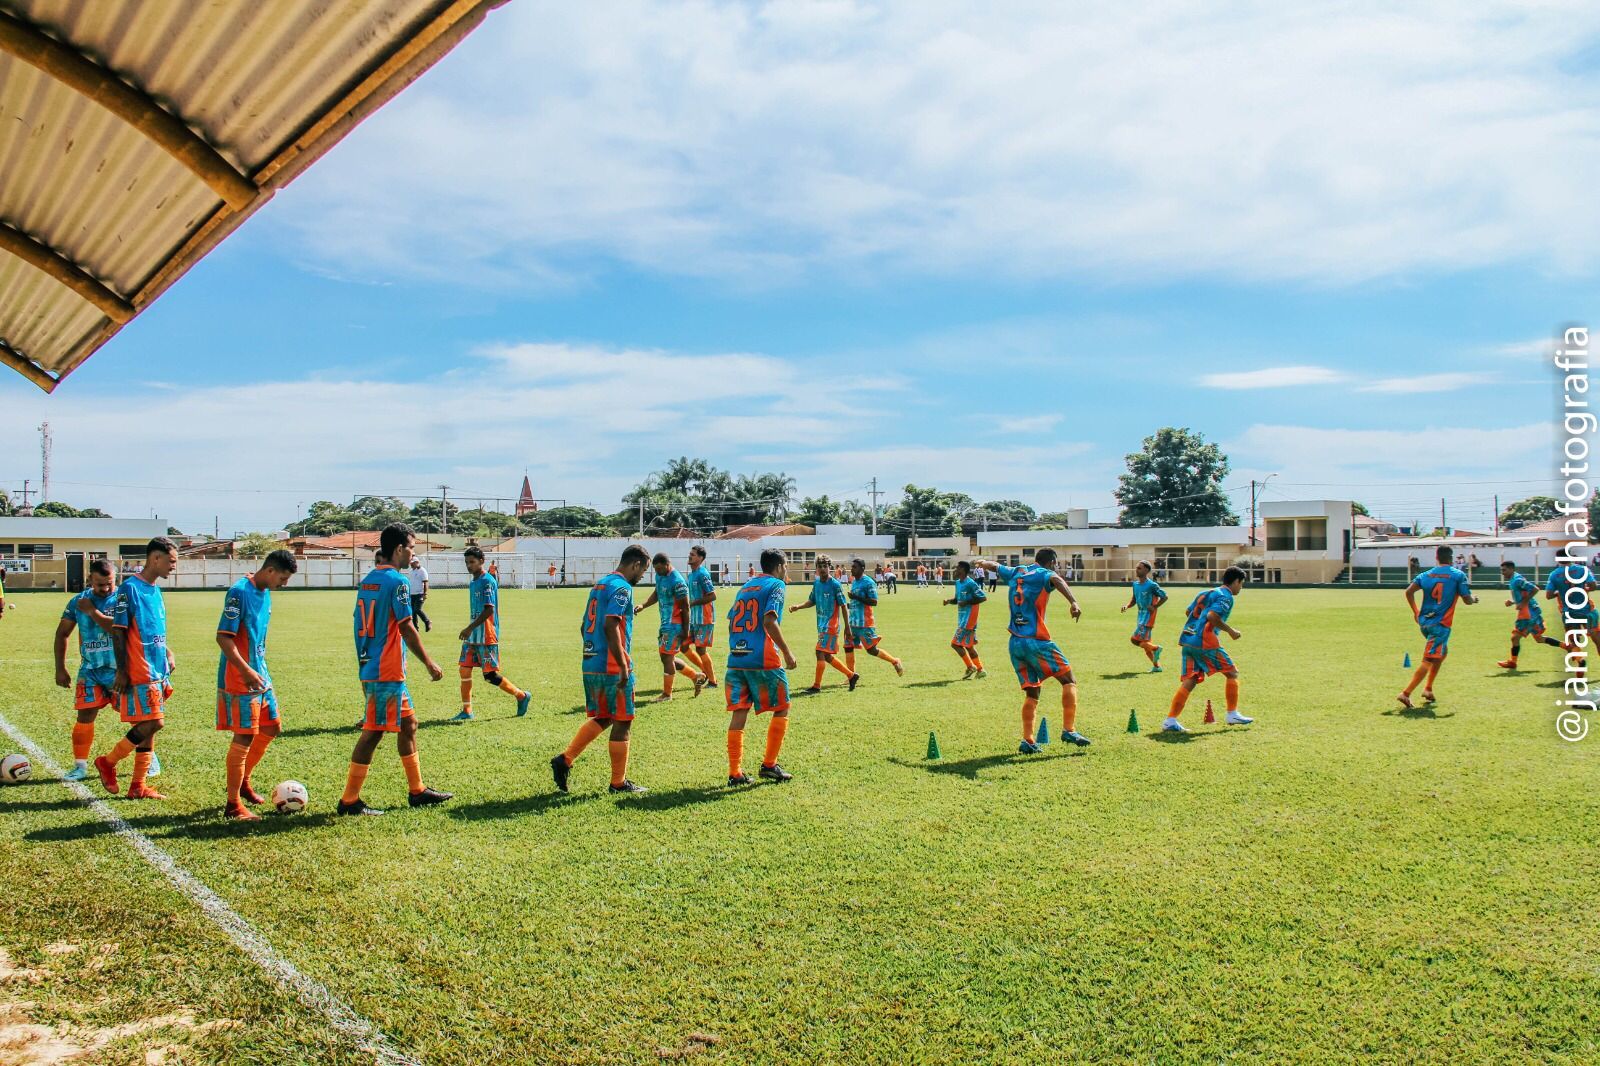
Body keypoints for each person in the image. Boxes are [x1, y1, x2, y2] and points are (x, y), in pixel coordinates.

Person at [339, 524, 451, 816]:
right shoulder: (397, 582)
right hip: (385, 669)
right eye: (412, 547)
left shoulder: (368, 580)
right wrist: (429, 662)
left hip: (374, 666)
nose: (413, 553)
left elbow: (357, 623)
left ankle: (417, 791)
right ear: (400, 549)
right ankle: (349, 800)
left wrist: (364, 660)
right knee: (373, 733)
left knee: (408, 724)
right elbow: (406, 626)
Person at [552, 545, 650, 794]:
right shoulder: (622, 588)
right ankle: (618, 783)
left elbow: (585, 624)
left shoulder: (599, 586)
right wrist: (622, 664)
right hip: (611, 665)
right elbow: (610, 626)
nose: (642, 577)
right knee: (623, 721)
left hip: (591, 661)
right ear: (635, 564)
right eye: (643, 571)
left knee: (605, 716)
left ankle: (565, 759)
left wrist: (591, 651)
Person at [972, 549, 1088, 751]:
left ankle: (1028, 741)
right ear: (1052, 562)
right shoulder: (1045, 573)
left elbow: (995, 566)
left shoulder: (1017, 571)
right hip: (1036, 641)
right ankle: (1069, 730)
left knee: (1032, 692)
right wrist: (1074, 602)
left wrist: (981, 561)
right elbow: (1058, 580)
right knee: (1069, 680)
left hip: (1015, 643)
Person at [215, 550, 299, 820]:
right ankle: (232, 804)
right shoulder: (239, 592)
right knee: (244, 736)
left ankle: (243, 781)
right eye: (283, 579)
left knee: (272, 727)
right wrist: (246, 670)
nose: (283, 584)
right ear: (270, 570)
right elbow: (224, 638)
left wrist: (256, 670)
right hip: (240, 677)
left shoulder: (266, 594)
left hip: (260, 673)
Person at [93, 538, 178, 798]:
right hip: (139, 669)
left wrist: (167, 651)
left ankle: (137, 786)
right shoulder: (129, 589)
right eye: (172, 561)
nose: (174, 566)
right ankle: (107, 762)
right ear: (155, 558)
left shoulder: (155, 590)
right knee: (155, 722)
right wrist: (122, 670)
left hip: (157, 668)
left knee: (148, 727)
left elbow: (152, 629)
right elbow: (119, 632)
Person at [725, 549, 798, 784]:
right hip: (762, 657)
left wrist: (738, 645)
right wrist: (787, 652)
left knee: (740, 711)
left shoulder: (745, 587)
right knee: (783, 706)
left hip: (737, 656)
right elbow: (769, 620)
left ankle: (735, 773)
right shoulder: (776, 585)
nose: (786, 570)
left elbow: (730, 622)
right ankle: (769, 764)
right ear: (778, 566)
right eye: (785, 565)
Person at [53, 558, 119, 781]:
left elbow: (120, 629)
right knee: (85, 715)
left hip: (121, 669)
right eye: (100, 584)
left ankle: (148, 759)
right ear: (90, 579)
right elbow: (62, 633)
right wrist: (60, 668)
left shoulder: (123, 598)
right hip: (90, 669)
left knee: (139, 717)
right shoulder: (77, 602)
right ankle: (79, 766)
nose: (106, 588)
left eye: (110, 582)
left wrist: (92, 612)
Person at [1164, 567, 1252, 731]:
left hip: (1188, 640)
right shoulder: (1226, 597)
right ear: (1236, 581)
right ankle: (1232, 713)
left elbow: (1188, 611)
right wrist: (1231, 631)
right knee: (1232, 673)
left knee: (1191, 679)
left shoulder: (1207, 592)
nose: (1241, 588)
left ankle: (1170, 720)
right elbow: (1212, 616)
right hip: (1205, 642)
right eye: (1242, 584)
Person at [452, 546, 531, 721]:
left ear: (482, 561)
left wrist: (469, 627)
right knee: (464, 670)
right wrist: (471, 630)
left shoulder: (487, 581)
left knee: (490, 676)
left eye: (472, 562)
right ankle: (467, 711)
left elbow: (489, 610)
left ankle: (521, 695)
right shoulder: (474, 581)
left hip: (486, 635)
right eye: (466, 562)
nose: (468, 565)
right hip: (473, 636)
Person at [1398, 546, 1477, 709]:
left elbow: (1408, 592)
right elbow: (1467, 600)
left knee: (1443, 652)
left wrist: (1415, 611)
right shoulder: (1457, 575)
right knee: (1428, 660)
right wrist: (1475, 599)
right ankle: (1405, 693)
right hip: (1440, 625)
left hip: (1425, 623)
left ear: (1437, 557)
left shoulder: (1426, 574)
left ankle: (1428, 689)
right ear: (1451, 558)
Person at [634, 552, 704, 702]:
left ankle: (667, 694)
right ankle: (695, 676)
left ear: (668, 564)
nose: (658, 572)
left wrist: (686, 631)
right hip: (665, 623)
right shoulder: (660, 576)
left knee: (667, 658)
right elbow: (657, 593)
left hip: (675, 625)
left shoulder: (677, 581)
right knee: (666, 657)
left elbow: (685, 607)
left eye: (660, 569)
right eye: (656, 569)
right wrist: (643, 605)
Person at [789, 554, 858, 692]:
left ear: (829, 568)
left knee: (819, 652)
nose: (822, 569)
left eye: (825, 566)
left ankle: (816, 686)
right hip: (821, 626)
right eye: (819, 566)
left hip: (831, 626)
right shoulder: (817, 583)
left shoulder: (835, 585)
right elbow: (812, 601)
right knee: (826, 655)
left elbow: (844, 606)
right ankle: (851, 675)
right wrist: (798, 606)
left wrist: (847, 628)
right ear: (816, 569)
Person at [845, 557, 904, 679]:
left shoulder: (868, 582)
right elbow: (857, 601)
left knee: (871, 650)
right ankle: (851, 676)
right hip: (852, 623)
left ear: (862, 568)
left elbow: (874, 602)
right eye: (852, 567)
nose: (852, 569)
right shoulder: (854, 581)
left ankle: (895, 661)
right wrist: (848, 605)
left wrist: (855, 597)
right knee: (848, 648)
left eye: (854, 567)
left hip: (865, 623)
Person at [1498, 560, 1564, 669]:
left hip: (1528, 613)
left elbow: (1535, 589)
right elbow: (1523, 594)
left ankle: (1513, 662)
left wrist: (1523, 603)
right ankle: (1567, 646)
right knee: (1539, 638)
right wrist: (1513, 602)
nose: (1502, 573)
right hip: (1532, 611)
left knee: (1515, 637)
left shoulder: (1517, 580)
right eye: (1501, 570)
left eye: (1504, 570)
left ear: (1511, 569)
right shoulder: (1514, 579)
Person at [1545, 558, 1599, 679]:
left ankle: (1580, 660)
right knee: (1597, 639)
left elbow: (1548, 595)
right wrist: (1585, 589)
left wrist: (1559, 593)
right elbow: (1593, 586)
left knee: (1573, 641)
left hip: (1569, 613)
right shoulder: (1582, 569)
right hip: (1587, 610)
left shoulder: (1554, 574)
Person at [943, 560, 987, 679]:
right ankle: (981, 670)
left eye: (957, 568)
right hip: (963, 619)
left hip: (969, 620)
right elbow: (958, 600)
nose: (955, 570)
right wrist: (949, 601)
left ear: (963, 570)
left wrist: (967, 602)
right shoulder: (958, 583)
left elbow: (983, 597)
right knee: (969, 646)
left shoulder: (971, 583)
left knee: (955, 644)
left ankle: (970, 667)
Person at [1122, 560, 1168, 672]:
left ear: (1146, 570)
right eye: (1136, 568)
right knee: (1145, 644)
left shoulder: (1152, 585)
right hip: (1140, 616)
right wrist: (1127, 606)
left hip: (1148, 617)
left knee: (1135, 639)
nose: (1136, 570)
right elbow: (1134, 599)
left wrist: (1155, 606)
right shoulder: (1135, 584)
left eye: (1139, 568)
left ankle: (1156, 648)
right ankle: (1157, 667)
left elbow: (1165, 596)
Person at [684, 546, 719, 688]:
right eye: (689, 553)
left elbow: (712, 595)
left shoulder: (702, 574)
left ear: (700, 558)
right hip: (694, 619)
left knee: (700, 649)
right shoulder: (692, 574)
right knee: (683, 645)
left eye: (692, 554)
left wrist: (692, 603)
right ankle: (704, 671)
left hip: (705, 618)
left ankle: (712, 681)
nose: (689, 556)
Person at [407, 556, 431, 632]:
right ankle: (415, 629)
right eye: (411, 563)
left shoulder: (422, 571)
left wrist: (425, 594)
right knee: (413, 612)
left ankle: (427, 621)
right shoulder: (411, 571)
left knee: (417, 609)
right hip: (412, 594)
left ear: (417, 562)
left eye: (413, 563)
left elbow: (425, 582)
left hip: (420, 594)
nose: (411, 565)